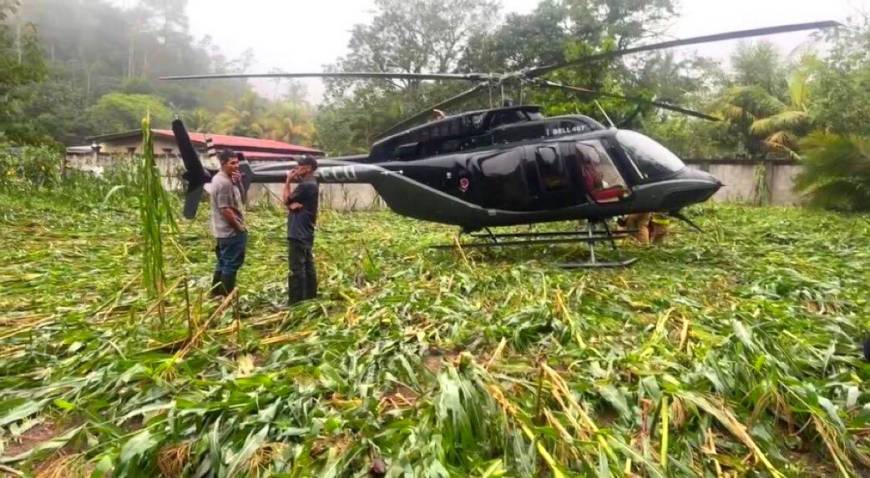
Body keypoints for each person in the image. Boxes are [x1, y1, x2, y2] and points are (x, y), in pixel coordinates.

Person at [210, 150, 247, 297]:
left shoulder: (223, 179)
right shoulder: (224, 183)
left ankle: (215, 294)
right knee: (231, 265)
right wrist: (239, 228)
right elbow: (225, 210)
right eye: (232, 163)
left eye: (237, 162)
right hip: (230, 232)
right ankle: (226, 297)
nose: (236, 166)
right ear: (223, 164)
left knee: (223, 263)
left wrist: (238, 183)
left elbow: (241, 200)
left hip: (221, 231)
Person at [283, 156, 319, 304]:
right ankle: (310, 297)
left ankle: (296, 302)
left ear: (308, 168)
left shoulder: (306, 186)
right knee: (307, 265)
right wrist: (290, 204)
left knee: (297, 269)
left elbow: (286, 199)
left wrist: (288, 181)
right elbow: (291, 203)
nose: (296, 168)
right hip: (306, 231)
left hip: (298, 232)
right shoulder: (311, 183)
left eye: (299, 166)